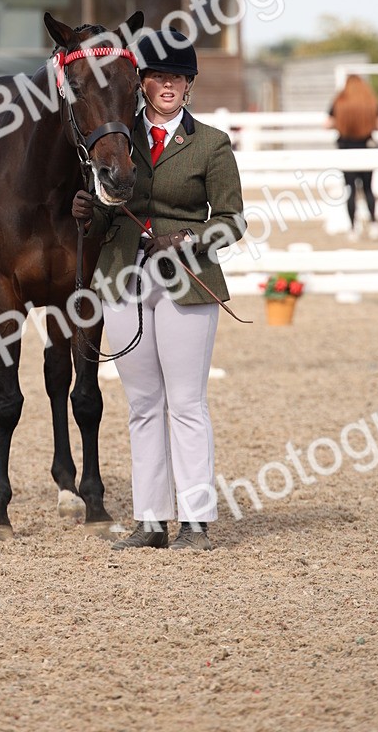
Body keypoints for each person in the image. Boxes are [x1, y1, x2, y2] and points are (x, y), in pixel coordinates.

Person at [72, 28, 246, 551]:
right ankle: (151, 519)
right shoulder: (116, 137)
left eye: (178, 77)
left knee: (187, 402)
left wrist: (191, 238)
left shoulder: (211, 144)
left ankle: (194, 518)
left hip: (187, 281)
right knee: (142, 402)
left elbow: (234, 221)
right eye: (158, 76)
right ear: (142, 83)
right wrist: (88, 209)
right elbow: (109, 196)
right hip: (124, 274)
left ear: (188, 85)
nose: (168, 85)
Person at [327, 75, 378, 241]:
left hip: (346, 149)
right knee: (368, 189)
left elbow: (328, 123)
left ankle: (353, 228)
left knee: (350, 189)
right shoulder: (370, 101)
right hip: (366, 148)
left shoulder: (340, 102)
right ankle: (374, 224)